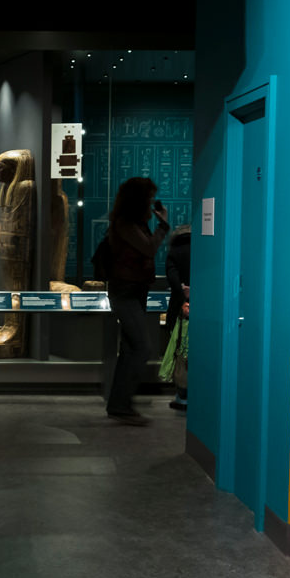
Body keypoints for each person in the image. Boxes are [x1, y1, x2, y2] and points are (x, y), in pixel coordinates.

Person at [105, 177, 170, 424]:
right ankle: (121, 404)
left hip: (135, 290)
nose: (152, 201)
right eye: (149, 197)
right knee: (142, 347)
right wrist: (163, 225)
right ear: (138, 199)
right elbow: (149, 249)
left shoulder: (135, 223)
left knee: (131, 348)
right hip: (125, 292)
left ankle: (119, 405)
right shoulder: (125, 224)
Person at [164, 225, 191, 410]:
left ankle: (182, 395)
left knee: (179, 352)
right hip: (201, 305)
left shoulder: (174, 252)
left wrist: (182, 297)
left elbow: (172, 278)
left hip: (179, 307)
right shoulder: (202, 250)